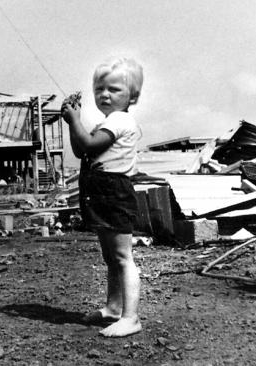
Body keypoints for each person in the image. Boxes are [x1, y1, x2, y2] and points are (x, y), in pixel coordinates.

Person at [61, 57, 144, 337]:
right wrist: (75, 120)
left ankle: (131, 317)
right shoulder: (105, 122)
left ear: (132, 96)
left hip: (114, 192)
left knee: (123, 257)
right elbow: (80, 150)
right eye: (99, 89)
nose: (104, 94)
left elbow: (87, 143)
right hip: (100, 191)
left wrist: (74, 119)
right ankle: (112, 308)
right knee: (111, 258)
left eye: (114, 89)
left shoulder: (119, 120)